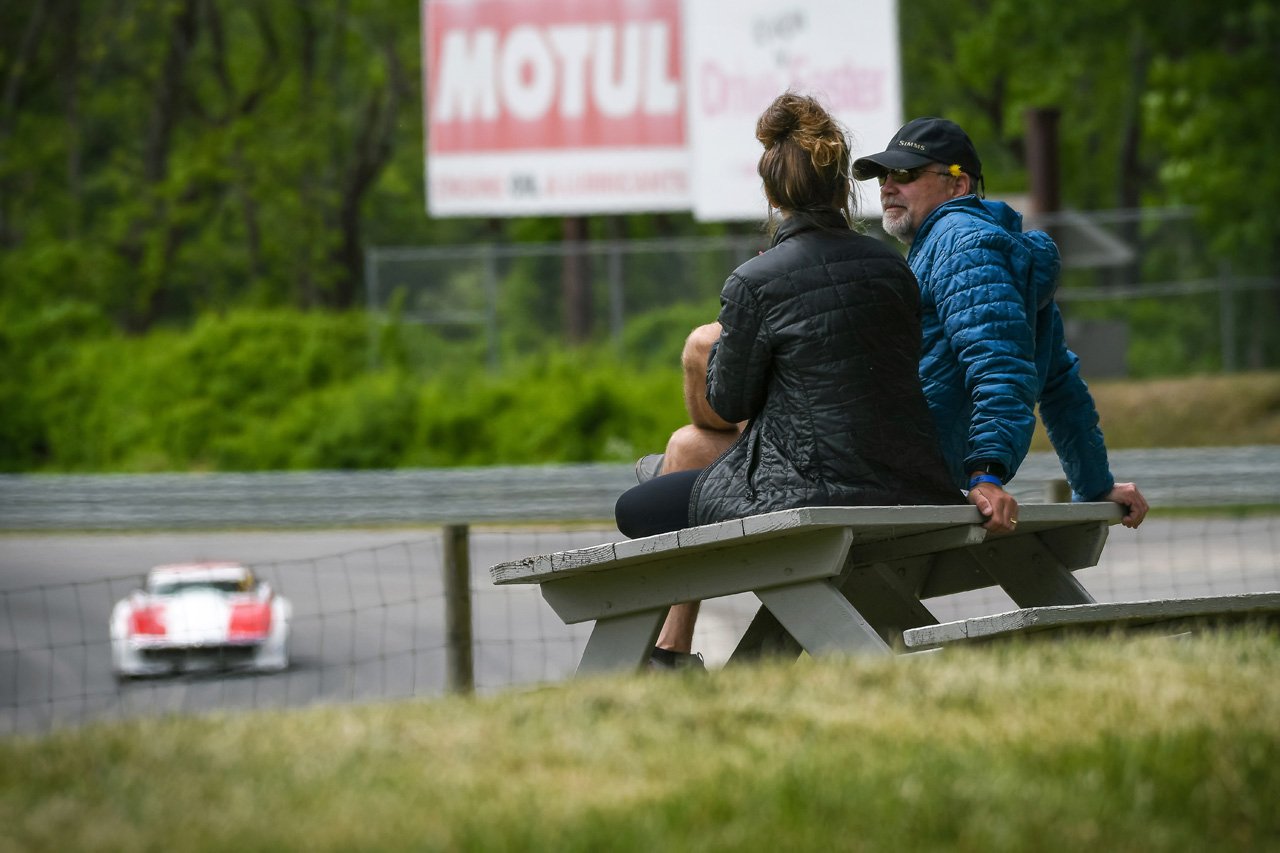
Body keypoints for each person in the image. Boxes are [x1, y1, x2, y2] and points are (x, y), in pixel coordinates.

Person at [614, 92, 965, 670]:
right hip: (907, 481)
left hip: (816, 491)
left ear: (774, 196)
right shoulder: (894, 270)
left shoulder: (756, 279)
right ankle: (672, 656)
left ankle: (668, 657)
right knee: (685, 448)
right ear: (841, 189)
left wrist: (729, 337)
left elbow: (727, 402)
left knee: (638, 509)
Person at [850, 116, 1148, 534]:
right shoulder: (969, 244)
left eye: (907, 174)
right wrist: (1094, 484)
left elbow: (1000, 368)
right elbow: (1059, 382)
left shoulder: (962, 244)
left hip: (909, 479)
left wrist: (986, 473)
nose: (886, 187)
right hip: (914, 473)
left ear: (958, 185)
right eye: (885, 175)